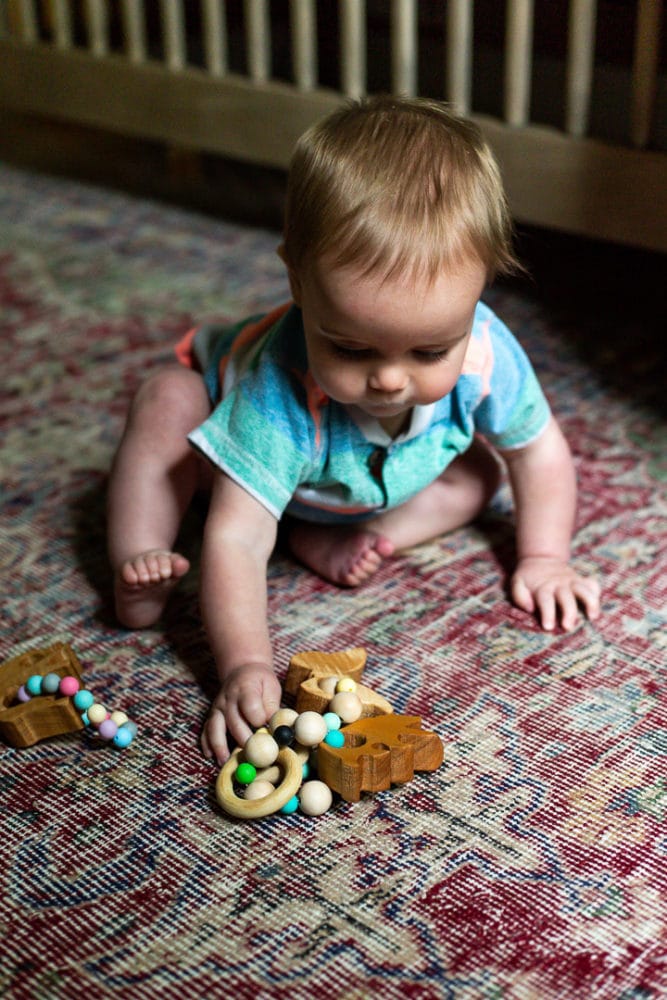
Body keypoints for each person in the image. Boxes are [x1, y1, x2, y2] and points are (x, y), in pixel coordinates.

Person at [107, 96, 601, 764]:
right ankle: (138, 562)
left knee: (483, 473)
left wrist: (544, 557)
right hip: (231, 470)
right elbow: (236, 535)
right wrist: (245, 666)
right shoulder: (273, 392)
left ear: (480, 291)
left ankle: (353, 537)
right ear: (298, 282)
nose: (390, 380)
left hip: (364, 483)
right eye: (351, 349)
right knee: (166, 396)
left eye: (429, 351)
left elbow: (537, 452)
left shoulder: (487, 352)